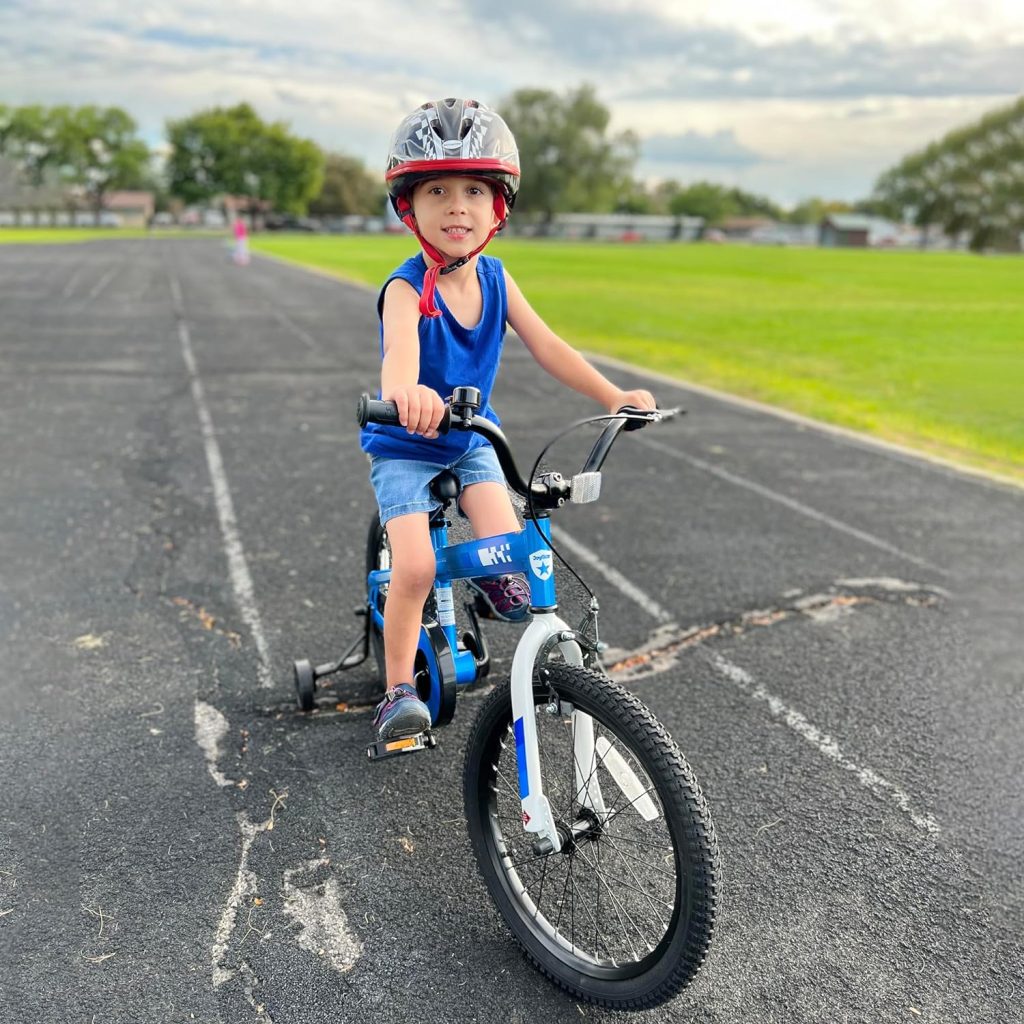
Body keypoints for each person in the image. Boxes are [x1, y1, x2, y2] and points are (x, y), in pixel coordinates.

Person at [362, 98, 656, 742]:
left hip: (470, 438)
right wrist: (408, 395)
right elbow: (398, 359)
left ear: (499, 206)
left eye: (474, 190)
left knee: (510, 545)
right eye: (436, 190)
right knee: (413, 568)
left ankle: (493, 589)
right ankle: (396, 693)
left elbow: (550, 347)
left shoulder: (497, 279)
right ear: (409, 207)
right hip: (406, 442)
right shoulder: (407, 289)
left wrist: (612, 395)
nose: (457, 206)